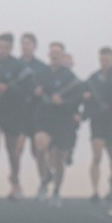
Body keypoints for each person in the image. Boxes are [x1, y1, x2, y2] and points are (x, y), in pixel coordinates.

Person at [0, 33, 33, 201]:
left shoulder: (19, 67)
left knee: (12, 152)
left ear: (11, 47)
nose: (1, 50)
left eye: (5, 47)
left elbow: (26, 92)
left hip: (12, 113)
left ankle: (15, 182)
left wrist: (9, 89)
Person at [32, 42, 84, 206]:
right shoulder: (40, 74)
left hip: (63, 121)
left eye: (58, 53)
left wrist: (63, 101)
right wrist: (36, 93)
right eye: (52, 53)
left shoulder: (70, 77)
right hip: (44, 118)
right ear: (49, 54)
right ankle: (45, 177)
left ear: (62, 56)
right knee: (40, 148)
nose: (54, 56)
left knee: (59, 158)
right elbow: (31, 94)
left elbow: (77, 99)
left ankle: (56, 191)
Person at [82, 47, 112, 202]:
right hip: (97, 121)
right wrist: (86, 98)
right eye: (102, 60)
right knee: (96, 156)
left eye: (107, 60)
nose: (104, 63)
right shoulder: (92, 79)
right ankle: (95, 190)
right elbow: (85, 100)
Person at [17, 32, 51, 197]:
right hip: (18, 113)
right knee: (17, 148)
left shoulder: (41, 67)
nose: (25, 47)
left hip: (36, 113)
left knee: (37, 150)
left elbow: (47, 88)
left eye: (28, 44)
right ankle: (15, 184)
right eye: (23, 44)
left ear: (34, 46)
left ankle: (44, 181)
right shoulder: (14, 65)